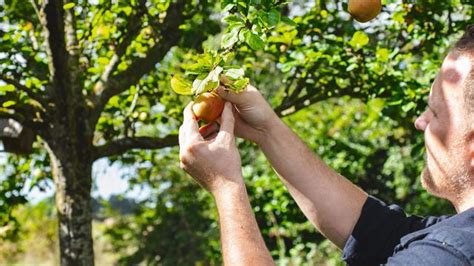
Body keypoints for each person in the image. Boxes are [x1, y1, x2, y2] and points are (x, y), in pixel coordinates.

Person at [178, 25, 474, 265]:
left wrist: (225, 185)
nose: (420, 122)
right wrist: (266, 131)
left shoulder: (448, 256)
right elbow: (374, 231)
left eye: (434, 112)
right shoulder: (454, 239)